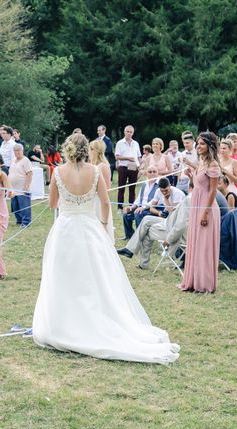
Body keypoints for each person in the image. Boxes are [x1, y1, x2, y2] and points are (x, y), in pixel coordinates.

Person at [32, 133, 180, 364]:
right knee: (94, 277)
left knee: (64, 275)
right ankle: (92, 319)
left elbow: (52, 204)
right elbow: (104, 202)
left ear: (68, 149)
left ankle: (65, 322)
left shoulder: (58, 172)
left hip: (65, 229)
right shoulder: (96, 171)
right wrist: (101, 223)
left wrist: (68, 201)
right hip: (90, 228)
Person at [179, 132, 221, 293]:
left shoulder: (213, 165)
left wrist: (206, 212)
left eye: (202, 144)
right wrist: (191, 174)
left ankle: (204, 283)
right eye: (197, 143)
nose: (198, 146)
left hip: (206, 207)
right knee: (195, 243)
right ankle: (193, 280)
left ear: (209, 146)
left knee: (204, 245)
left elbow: (212, 191)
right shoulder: (202, 163)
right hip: (196, 205)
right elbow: (198, 183)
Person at [117, 178, 188, 269]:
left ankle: (132, 253)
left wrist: (166, 200)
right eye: (162, 191)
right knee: (146, 219)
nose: (164, 193)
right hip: (166, 220)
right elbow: (151, 208)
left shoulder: (178, 193)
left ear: (170, 185)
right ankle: (136, 257)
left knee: (146, 232)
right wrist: (158, 213)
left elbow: (173, 213)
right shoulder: (159, 191)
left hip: (173, 223)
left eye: (166, 190)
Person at [121, 165, 160, 240]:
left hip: (151, 209)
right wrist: (132, 207)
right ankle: (129, 235)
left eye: (154, 172)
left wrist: (143, 207)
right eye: (150, 172)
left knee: (138, 213)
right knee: (126, 213)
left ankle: (140, 237)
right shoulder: (144, 183)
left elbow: (155, 200)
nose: (152, 173)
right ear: (146, 173)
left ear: (157, 173)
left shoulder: (159, 184)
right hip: (140, 208)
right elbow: (139, 198)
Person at [89, 139, 114, 242]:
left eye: (89, 149)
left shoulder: (104, 166)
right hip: (90, 201)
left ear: (94, 150)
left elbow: (107, 189)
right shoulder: (91, 165)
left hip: (99, 202)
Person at [115, 125, 141, 211]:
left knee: (132, 188)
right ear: (124, 132)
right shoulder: (119, 143)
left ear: (133, 133)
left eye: (131, 132)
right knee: (121, 187)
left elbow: (139, 156)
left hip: (133, 166)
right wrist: (127, 158)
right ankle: (120, 207)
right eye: (127, 131)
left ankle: (131, 206)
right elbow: (117, 156)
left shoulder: (136, 143)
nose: (129, 133)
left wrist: (139, 165)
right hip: (123, 166)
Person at [9, 144, 33, 227]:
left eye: (18, 150)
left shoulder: (26, 160)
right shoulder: (13, 160)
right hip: (13, 189)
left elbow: (29, 173)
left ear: (22, 151)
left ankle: (26, 222)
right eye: (15, 150)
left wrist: (26, 186)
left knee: (24, 206)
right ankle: (19, 220)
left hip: (22, 188)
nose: (17, 152)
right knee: (15, 206)